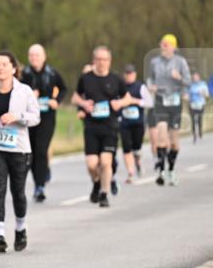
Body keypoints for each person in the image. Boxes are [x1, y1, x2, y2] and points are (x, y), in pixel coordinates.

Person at [0, 51, 40, 253]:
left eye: (4, 64)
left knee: (18, 193)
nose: (0, 67)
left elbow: (35, 117)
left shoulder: (25, 91)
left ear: (14, 68)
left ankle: (20, 229)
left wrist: (17, 116)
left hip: (19, 148)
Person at [71, 46, 131, 208]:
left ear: (109, 61)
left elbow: (128, 98)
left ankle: (104, 194)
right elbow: (75, 97)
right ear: (94, 60)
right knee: (91, 164)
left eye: (105, 60)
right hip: (91, 127)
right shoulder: (86, 78)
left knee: (105, 162)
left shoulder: (116, 79)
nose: (102, 63)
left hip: (110, 126)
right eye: (98, 59)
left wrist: (120, 103)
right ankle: (97, 183)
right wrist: (84, 103)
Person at [20, 44, 68, 202]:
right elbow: (16, 94)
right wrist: (29, 96)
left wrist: (56, 100)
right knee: (31, 152)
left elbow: (63, 88)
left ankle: (39, 187)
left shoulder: (52, 73)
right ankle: (39, 179)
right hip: (29, 117)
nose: (34, 58)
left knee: (41, 150)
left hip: (47, 117)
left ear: (44, 56)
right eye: (31, 55)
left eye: (37, 55)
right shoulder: (24, 74)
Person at [147, 34, 191, 186]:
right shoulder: (154, 62)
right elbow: (150, 78)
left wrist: (179, 77)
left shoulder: (181, 62)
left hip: (175, 102)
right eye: (161, 44)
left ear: (173, 47)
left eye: (165, 45)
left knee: (174, 143)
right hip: (160, 100)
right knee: (161, 135)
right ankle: (161, 169)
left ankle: (171, 170)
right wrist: (151, 85)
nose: (162, 47)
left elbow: (188, 81)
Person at [118, 64, 153, 184]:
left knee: (136, 148)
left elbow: (149, 103)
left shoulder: (140, 87)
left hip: (138, 122)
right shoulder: (120, 87)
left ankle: (137, 160)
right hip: (124, 122)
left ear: (135, 74)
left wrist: (135, 101)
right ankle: (130, 173)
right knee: (126, 147)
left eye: (131, 73)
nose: (129, 76)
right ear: (124, 75)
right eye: (127, 74)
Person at [188, 72, 209, 143]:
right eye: (194, 78)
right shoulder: (191, 85)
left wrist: (203, 93)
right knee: (193, 119)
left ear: (199, 77)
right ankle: (194, 134)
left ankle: (200, 131)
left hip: (200, 104)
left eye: (196, 77)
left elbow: (207, 94)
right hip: (192, 104)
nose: (195, 79)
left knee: (200, 118)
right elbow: (188, 94)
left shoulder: (203, 84)